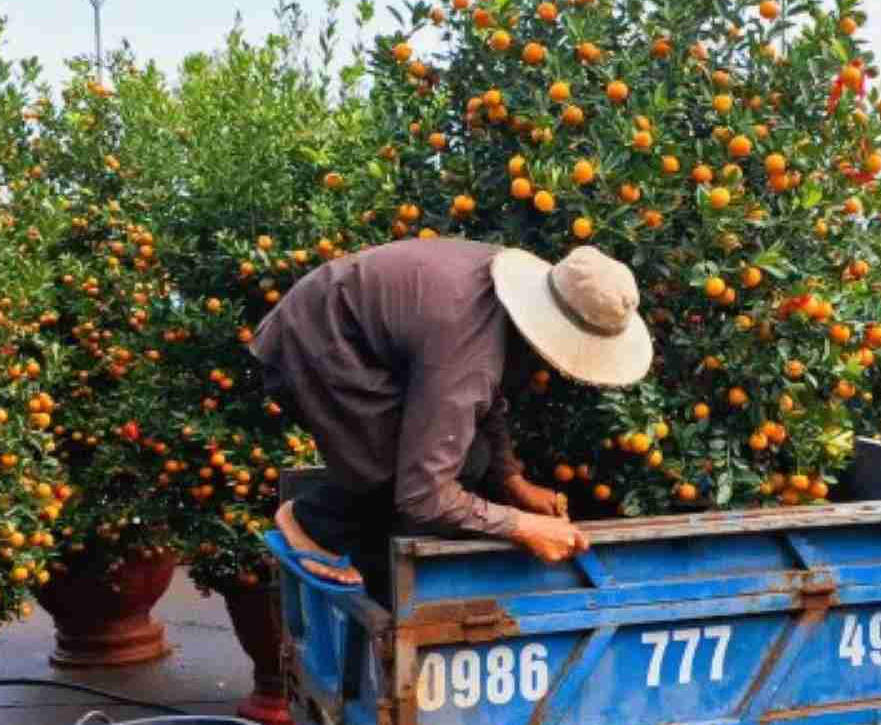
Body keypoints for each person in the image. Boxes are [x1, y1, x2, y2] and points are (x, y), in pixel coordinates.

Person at [252, 237, 652, 601]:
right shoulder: (465, 347)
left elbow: (484, 398)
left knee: (464, 460)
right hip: (317, 346)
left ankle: (373, 568)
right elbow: (423, 492)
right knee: (404, 480)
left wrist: (512, 481)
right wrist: (522, 526)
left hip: (361, 336)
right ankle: (312, 523)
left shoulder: (496, 309)